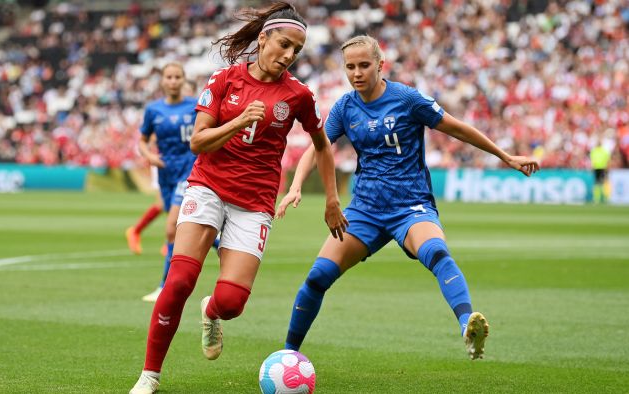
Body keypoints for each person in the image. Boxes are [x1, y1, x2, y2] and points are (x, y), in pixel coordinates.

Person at [276, 35, 540, 361]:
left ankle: (467, 326)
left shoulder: (407, 99)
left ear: (380, 65)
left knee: (436, 252)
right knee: (317, 277)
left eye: (364, 65)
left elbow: (457, 129)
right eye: (350, 67)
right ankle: (288, 355)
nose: (357, 73)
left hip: (410, 205)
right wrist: (296, 185)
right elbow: (319, 147)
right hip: (365, 210)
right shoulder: (345, 107)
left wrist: (506, 157)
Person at [129, 3, 347, 393]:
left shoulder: (297, 95)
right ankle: (149, 376)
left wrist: (331, 200)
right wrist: (239, 120)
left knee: (231, 303)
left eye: (296, 50)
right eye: (283, 44)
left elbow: (323, 145)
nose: (288, 55)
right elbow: (198, 141)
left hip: (255, 201)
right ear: (262, 38)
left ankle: (210, 311)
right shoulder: (224, 79)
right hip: (208, 186)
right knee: (178, 281)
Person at [133, 63, 199, 302]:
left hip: (189, 170)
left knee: (171, 227)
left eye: (177, 77)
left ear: (183, 80)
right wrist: (149, 156)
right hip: (165, 174)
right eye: (169, 77)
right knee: (182, 227)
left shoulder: (195, 105)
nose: (173, 81)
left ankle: (165, 286)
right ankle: (221, 244)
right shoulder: (153, 110)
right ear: (162, 81)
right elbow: (142, 140)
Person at [125, 80, 202, 259]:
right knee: (166, 206)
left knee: (175, 208)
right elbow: (150, 136)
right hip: (167, 164)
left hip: (186, 165)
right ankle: (141, 232)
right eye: (187, 91)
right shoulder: (165, 111)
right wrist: (153, 154)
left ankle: (166, 240)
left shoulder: (193, 110)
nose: (189, 96)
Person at [589, 136, 611, 204]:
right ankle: (597, 199)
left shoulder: (604, 151)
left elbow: (608, 160)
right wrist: (592, 167)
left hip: (603, 168)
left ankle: (606, 198)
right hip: (597, 168)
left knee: (604, 183)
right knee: (597, 184)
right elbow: (592, 161)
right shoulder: (594, 151)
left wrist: (608, 167)